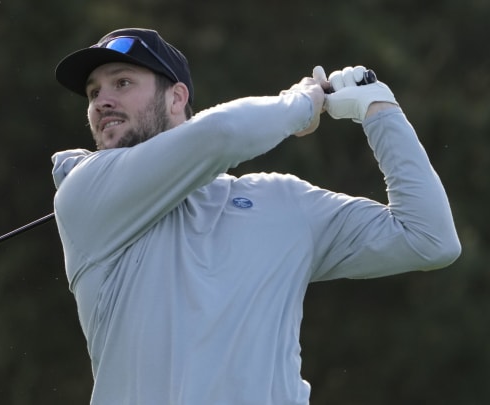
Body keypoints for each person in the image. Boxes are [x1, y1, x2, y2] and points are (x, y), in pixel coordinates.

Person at [50, 28, 461, 405]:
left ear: (176, 98)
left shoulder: (282, 201)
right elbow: (221, 135)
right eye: (93, 92)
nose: (102, 101)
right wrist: (301, 103)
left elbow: (428, 238)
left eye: (122, 83)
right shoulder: (85, 193)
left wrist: (380, 110)